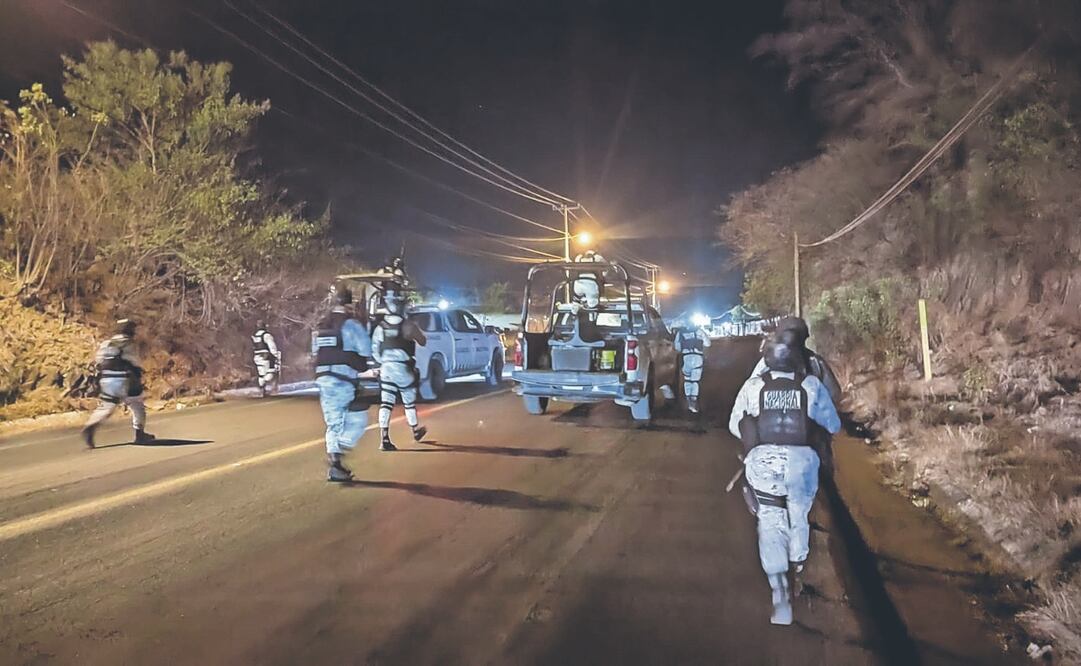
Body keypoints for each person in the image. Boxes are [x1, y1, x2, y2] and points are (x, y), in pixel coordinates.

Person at [729, 339, 841, 626]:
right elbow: (834, 425)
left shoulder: (753, 387)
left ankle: (779, 591)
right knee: (799, 515)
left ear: (767, 360)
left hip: (763, 463)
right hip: (801, 464)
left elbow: (734, 425)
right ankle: (798, 562)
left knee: (769, 520)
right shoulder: (811, 386)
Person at [312, 287, 373, 482]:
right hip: (343, 379)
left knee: (333, 424)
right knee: (358, 419)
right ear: (350, 303)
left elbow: (315, 351)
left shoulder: (321, 324)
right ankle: (341, 449)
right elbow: (366, 351)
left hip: (323, 378)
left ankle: (336, 465)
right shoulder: (352, 325)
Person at [82, 319, 155, 448]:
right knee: (137, 405)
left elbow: (98, 360)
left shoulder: (107, 343)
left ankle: (91, 425)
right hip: (125, 379)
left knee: (107, 406)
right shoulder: (129, 344)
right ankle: (140, 434)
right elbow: (135, 362)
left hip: (106, 379)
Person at [372, 286, 428, 450]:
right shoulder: (408, 325)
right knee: (409, 402)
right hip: (404, 368)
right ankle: (415, 429)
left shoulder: (380, 328)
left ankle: (384, 438)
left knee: (386, 403)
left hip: (387, 369)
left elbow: (374, 349)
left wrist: (382, 362)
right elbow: (423, 341)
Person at [751, 316, 841, 405]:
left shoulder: (766, 361)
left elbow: (751, 393)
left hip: (768, 416)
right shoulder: (815, 361)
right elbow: (834, 395)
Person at [675, 323, 712, 413]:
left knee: (687, 380)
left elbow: (677, 347)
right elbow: (708, 343)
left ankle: (689, 400)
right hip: (698, 358)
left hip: (686, 357)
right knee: (695, 381)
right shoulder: (700, 331)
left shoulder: (680, 333)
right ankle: (693, 401)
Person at [251, 319, 281, 397]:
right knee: (271, 372)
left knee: (261, 373)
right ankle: (271, 388)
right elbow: (272, 346)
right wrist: (275, 356)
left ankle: (262, 389)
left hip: (257, 357)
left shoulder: (255, 336)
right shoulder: (266, 335)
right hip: (266, 357)